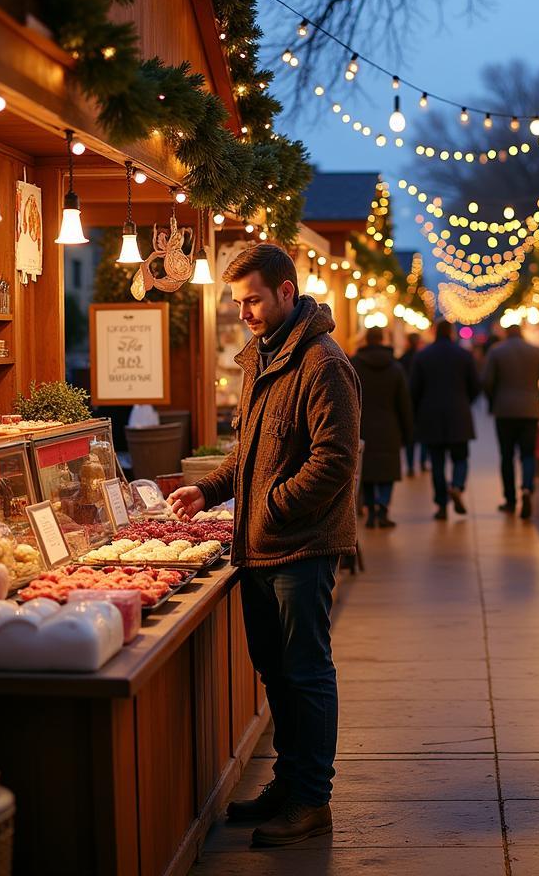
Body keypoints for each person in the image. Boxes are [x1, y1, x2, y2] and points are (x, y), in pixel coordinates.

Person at [168, 244, 360, 849]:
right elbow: (250, 450)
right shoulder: (260, 359)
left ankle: (312, 800)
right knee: (276, 673)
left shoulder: (323, 362)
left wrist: (268, 507)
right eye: (237, 301)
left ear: (285, 291)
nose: (243, 311)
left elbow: (334, 462)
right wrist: (209, 490)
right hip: (257, 548)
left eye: (252, 299)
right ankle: (288, 782)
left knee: (306, 673)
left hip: (300, 548)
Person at [483, 322, 539, 518]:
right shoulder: (535, 351)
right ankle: (527, 488)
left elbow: (487, 382)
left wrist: (494, 400)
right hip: (529, 411)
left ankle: (510, 500)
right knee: (528, 454)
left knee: (506, 456)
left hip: (504, 412)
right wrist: (538, 398)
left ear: (507, 334)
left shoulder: (496, 352)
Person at [410, 319, 480, 520]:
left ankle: (441, 505)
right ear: (451, 333)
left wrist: (418, 411)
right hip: (458, 414)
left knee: (437, 463)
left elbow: (414, 389)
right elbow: (476, 386)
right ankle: (457, 486)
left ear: (434, 332)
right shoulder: (464, 355)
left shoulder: (423, 356)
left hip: (431, 416)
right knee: (460, 458)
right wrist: (464, 401)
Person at [351, 326, 413, 528]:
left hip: (362, 425)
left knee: (367, 470)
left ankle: (369, 510)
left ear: (366, 340)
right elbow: (404, 402)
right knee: (387, 472)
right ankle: (383, 508)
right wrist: (407, 430)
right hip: (389, 426)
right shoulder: (395, 368)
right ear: (384, 340)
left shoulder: (354, 366)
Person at [397, 331, 428, 476]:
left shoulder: (402, 359)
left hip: (407, 400)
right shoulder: (424, 358)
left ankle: (410, 466)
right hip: (422, 402)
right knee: (423, 435)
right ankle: (422, 462)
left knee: (410, 435)